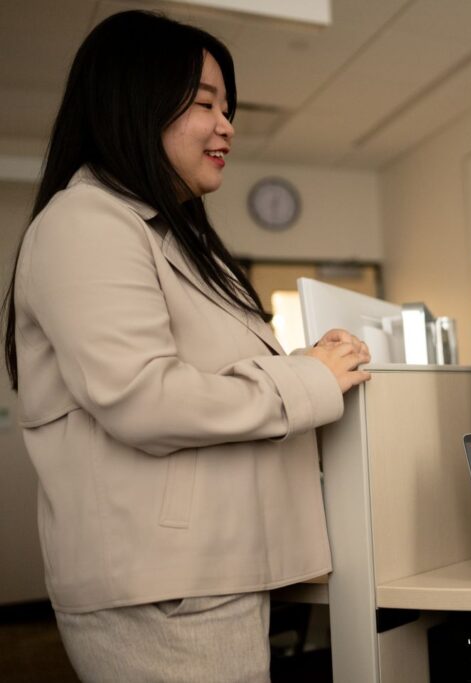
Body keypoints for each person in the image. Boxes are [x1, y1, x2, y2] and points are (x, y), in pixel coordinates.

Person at [1, 10, 371, 682]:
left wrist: (307, 364)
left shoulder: (180, 240)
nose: (227, 124)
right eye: (205, 103)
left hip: (199, 576)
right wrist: (306, 380)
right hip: (164, 588)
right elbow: (144, 397)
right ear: (133, 102)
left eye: (227, 106)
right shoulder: (86, 222)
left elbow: (212, 375)